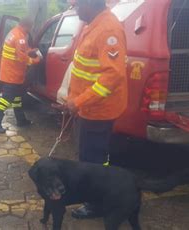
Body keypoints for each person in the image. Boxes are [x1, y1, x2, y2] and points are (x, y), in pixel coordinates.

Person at [65, 0, 128, 219]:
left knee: (91, 160)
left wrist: (79, 101)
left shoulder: (108, 29)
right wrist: (74, 100)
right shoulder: (92, 23)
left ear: (91, 3)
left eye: (78, 4)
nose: (75, 8)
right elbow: (84, 68)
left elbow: (113, 75)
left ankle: (96, 204)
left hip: (99, 109)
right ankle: (105, 192)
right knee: (96, 156)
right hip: (89, 108)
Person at [0, 16, 42, 133]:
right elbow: (22, 57)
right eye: (31, 27)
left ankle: (21, 120)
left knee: (17, 98)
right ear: (27, 26)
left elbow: (22, 50)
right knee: (5, 100)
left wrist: (30, 50)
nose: (31, 29)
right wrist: (35, 60)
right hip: (12, 75)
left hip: (10, 73)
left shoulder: (14, 32)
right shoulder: (20, 37)